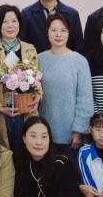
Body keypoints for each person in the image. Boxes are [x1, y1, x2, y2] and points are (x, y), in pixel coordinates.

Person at [0, 4, 40, 152]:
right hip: (0, 113)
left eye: (14, 21)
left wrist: (38, 96)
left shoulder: (29, 49)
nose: (10, 25)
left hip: (25, 111)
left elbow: (37, 79)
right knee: (2, 153)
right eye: (5, 21)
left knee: (26, 152)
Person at [36, 13, 92, 161]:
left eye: (63, 30)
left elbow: (85, 99)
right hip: (43, 132)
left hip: (71, 135)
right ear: (47, 32)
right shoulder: (38, 59)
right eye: (54, 30)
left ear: (69, 33)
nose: (58, 34)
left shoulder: (80, 61)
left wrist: (78, 130)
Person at [20, 0, 84, 53]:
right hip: (36, 60)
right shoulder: (26, 14)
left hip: (64, 60)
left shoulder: (72, 14)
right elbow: (22, 44)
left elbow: (78, 46)